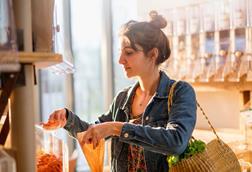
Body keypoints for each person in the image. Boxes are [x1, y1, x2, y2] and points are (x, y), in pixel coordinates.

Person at [47, 11, 196, 172]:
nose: (120, 60)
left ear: (153, 54)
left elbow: (176, 142)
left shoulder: (181, 92)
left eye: (129, 53)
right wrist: (67, 119)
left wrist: (116, 128)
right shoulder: (123, 99)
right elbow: (93, 133)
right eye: (120, 52)